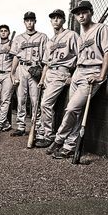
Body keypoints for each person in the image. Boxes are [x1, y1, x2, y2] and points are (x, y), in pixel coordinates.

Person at [46, 1, 108, 158]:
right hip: (78, 72)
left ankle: (58, 139)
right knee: (76, 112)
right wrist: (72, 75)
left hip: (92, 72)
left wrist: (101, 75)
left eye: (84, 12)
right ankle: (69, 146)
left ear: (91, 12)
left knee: (72, 108)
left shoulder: (101, 28)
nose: (81, 15)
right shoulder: (81, 36)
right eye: (78, 13)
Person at [35, 9, 79, 148]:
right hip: (49, 74)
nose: (55, 20)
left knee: (45, 104)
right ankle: (43, 133)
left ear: (64, 20)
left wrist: (73, 75)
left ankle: (49, 136)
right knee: (45, 105)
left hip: (61, 72)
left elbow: (81, 55)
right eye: (53, 18)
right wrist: (42, 79)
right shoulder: (50, 41)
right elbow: (47, 63)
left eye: (59, 18)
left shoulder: (71, 35)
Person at [10, 11, 48, 136]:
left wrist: (43, 74)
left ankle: (36, 126)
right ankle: (20, 126)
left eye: (31, 20)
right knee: (21, 98)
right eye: (27, 20)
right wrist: (13, 72)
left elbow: (46, 58)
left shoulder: (42, 37)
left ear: (35, 21)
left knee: (35, 99)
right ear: (24, 22)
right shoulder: (19, 38)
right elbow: (16, 56)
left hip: (35, 68)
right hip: (21, 68)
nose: (29, 22)